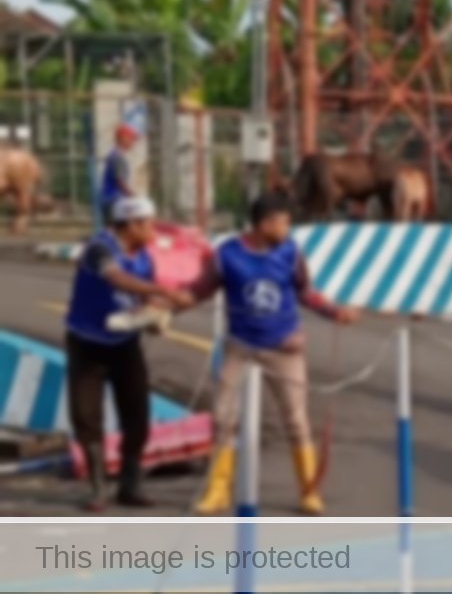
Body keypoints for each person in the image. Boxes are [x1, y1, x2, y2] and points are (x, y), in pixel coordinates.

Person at [191, 192, 360, 516]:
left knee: (296, 420)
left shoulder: (290, 253)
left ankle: (309, 492)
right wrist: (169, 302)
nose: (288, 228)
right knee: (224, 418)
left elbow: (305, 291)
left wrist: (334, 312)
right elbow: (201, 289)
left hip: (283, 346)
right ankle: (218, 491)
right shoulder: (227, 254)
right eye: (284, 221)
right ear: (265, 223)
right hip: (240, 346)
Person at [65, 196, 194, 511]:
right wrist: (162, 291)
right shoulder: (100, 247)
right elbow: (116, 278)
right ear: (131, 225)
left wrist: (156, 314)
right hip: (87, 344)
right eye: (148, 223)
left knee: (137, 414)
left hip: (124, 344)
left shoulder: (145, 257)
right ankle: (98, 488)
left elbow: (140, 298)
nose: (153, 230)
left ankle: (130, 484)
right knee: (86, 416)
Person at [100, 125, 139, 223]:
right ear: (123, 138)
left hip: (111, 201)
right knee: (117, 230)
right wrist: (135, 197)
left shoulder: (114, 155)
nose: (133, 143)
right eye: (131, 139)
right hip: (115, 202)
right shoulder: (118, 158)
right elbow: (120, 182)